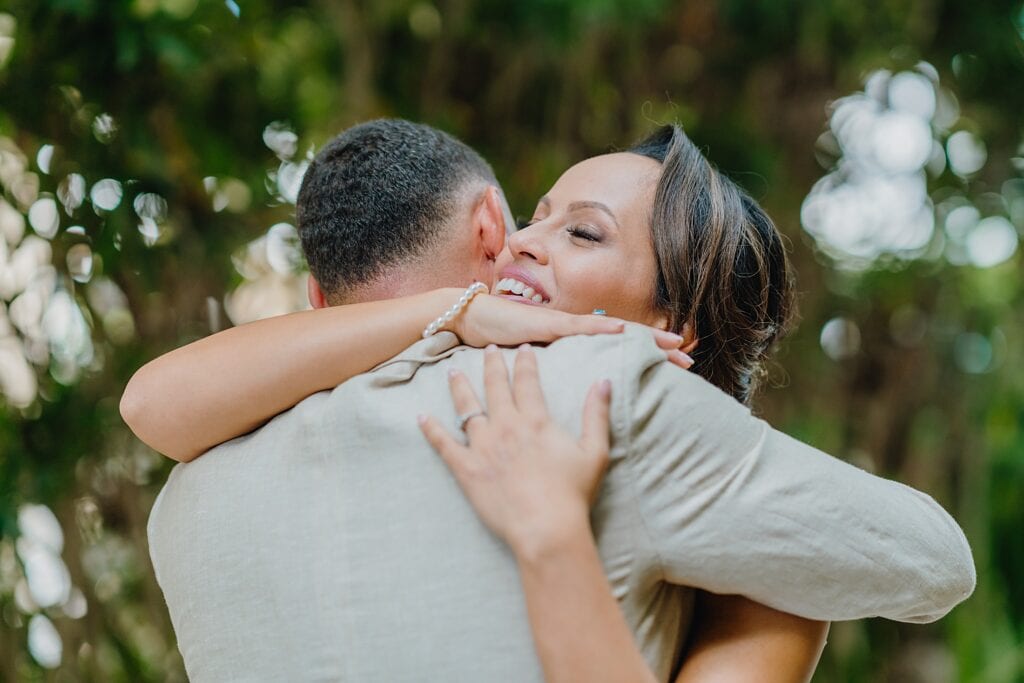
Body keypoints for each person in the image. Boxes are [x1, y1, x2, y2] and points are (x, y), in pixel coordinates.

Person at [125, 120, 974, 682]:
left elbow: (155, 400)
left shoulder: (194, 489)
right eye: (535, 218)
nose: (524, 243)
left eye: (583, 231)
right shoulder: (610, 401)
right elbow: (933, 558)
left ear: (670, 319)